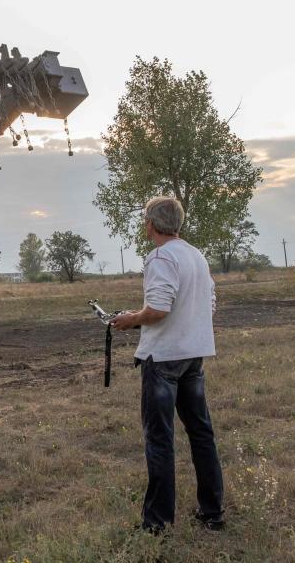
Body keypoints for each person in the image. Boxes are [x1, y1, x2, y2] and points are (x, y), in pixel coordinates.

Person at [110, 196, 225, 534]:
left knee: (159, 439)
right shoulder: (196, 255)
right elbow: (210, 303)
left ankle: (157, 522)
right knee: (201, 433)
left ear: (150, 224)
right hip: (194, 354)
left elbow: (158, 309)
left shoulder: (160, 257)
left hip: (163, 358)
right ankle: (212, 512)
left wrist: (131, 319)